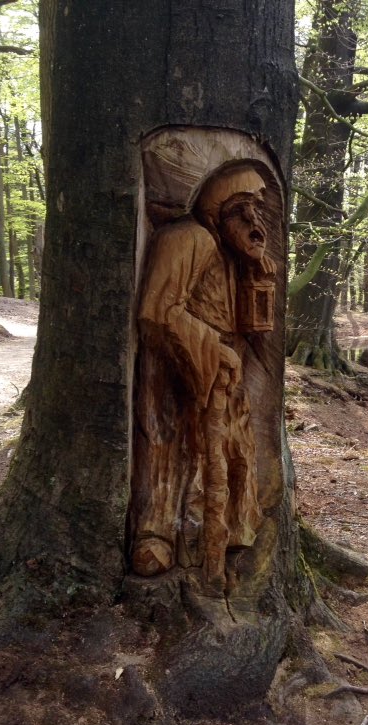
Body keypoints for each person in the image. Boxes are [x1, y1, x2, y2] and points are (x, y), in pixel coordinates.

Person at [129, 162, 274, 595]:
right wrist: (210, 346)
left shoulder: (234, 256)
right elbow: (158, 311)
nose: (253, 223)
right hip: (180, 366)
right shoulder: (188, 238)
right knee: (175, 451)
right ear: (216, 211)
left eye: (257, 210)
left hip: (223, 369)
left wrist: (255, 269)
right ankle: (161, 533)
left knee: (232, 451)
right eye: (240, 211)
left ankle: (230, 529)